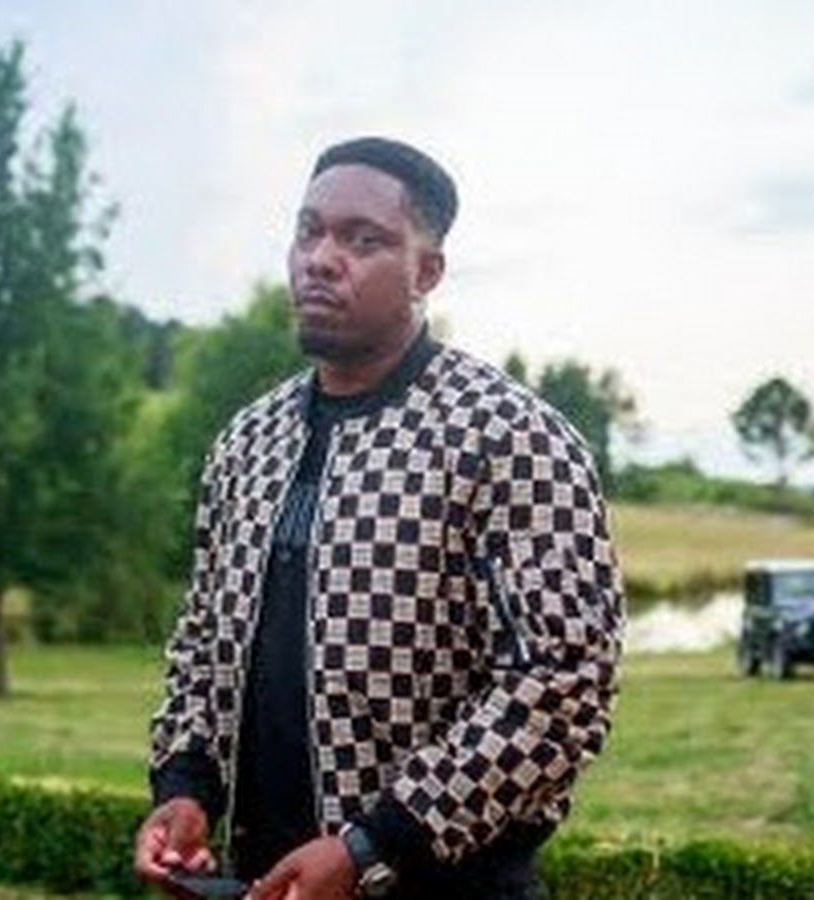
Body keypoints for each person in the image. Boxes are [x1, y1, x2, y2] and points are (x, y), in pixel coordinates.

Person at [134, 136, 625, 900]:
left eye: (364, 241)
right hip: (263, 878)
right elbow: (203, 638)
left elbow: (565, 684)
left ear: (427, 272)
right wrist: (185, 784)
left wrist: (372, 846)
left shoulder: (508, 437)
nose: (321, 260)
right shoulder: (247, 440)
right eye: (309, 232)